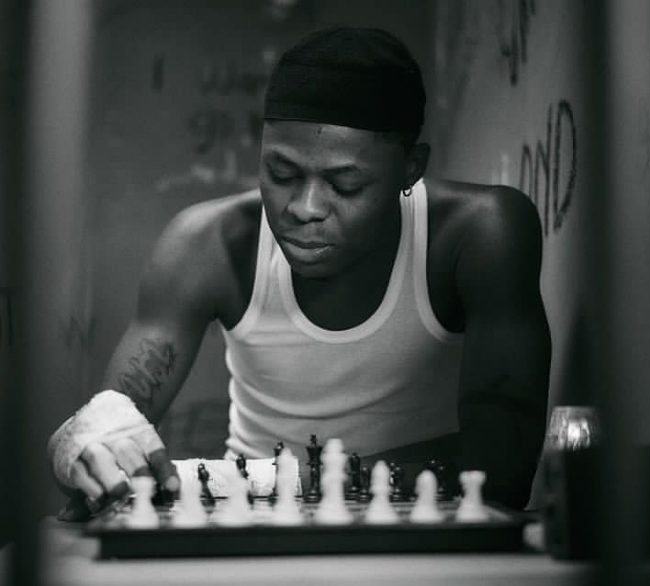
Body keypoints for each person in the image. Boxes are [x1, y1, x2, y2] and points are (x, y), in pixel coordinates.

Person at [48, 27, 551, 516]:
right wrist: (84, 444)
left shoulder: (478, 233)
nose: (306, 208)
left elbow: (503, 468)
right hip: (249, 528)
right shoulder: (207, 244)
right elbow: (110, 436)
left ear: (411, 168)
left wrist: (256, 480)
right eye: (282, 174)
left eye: (346, 185)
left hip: (421, 528)